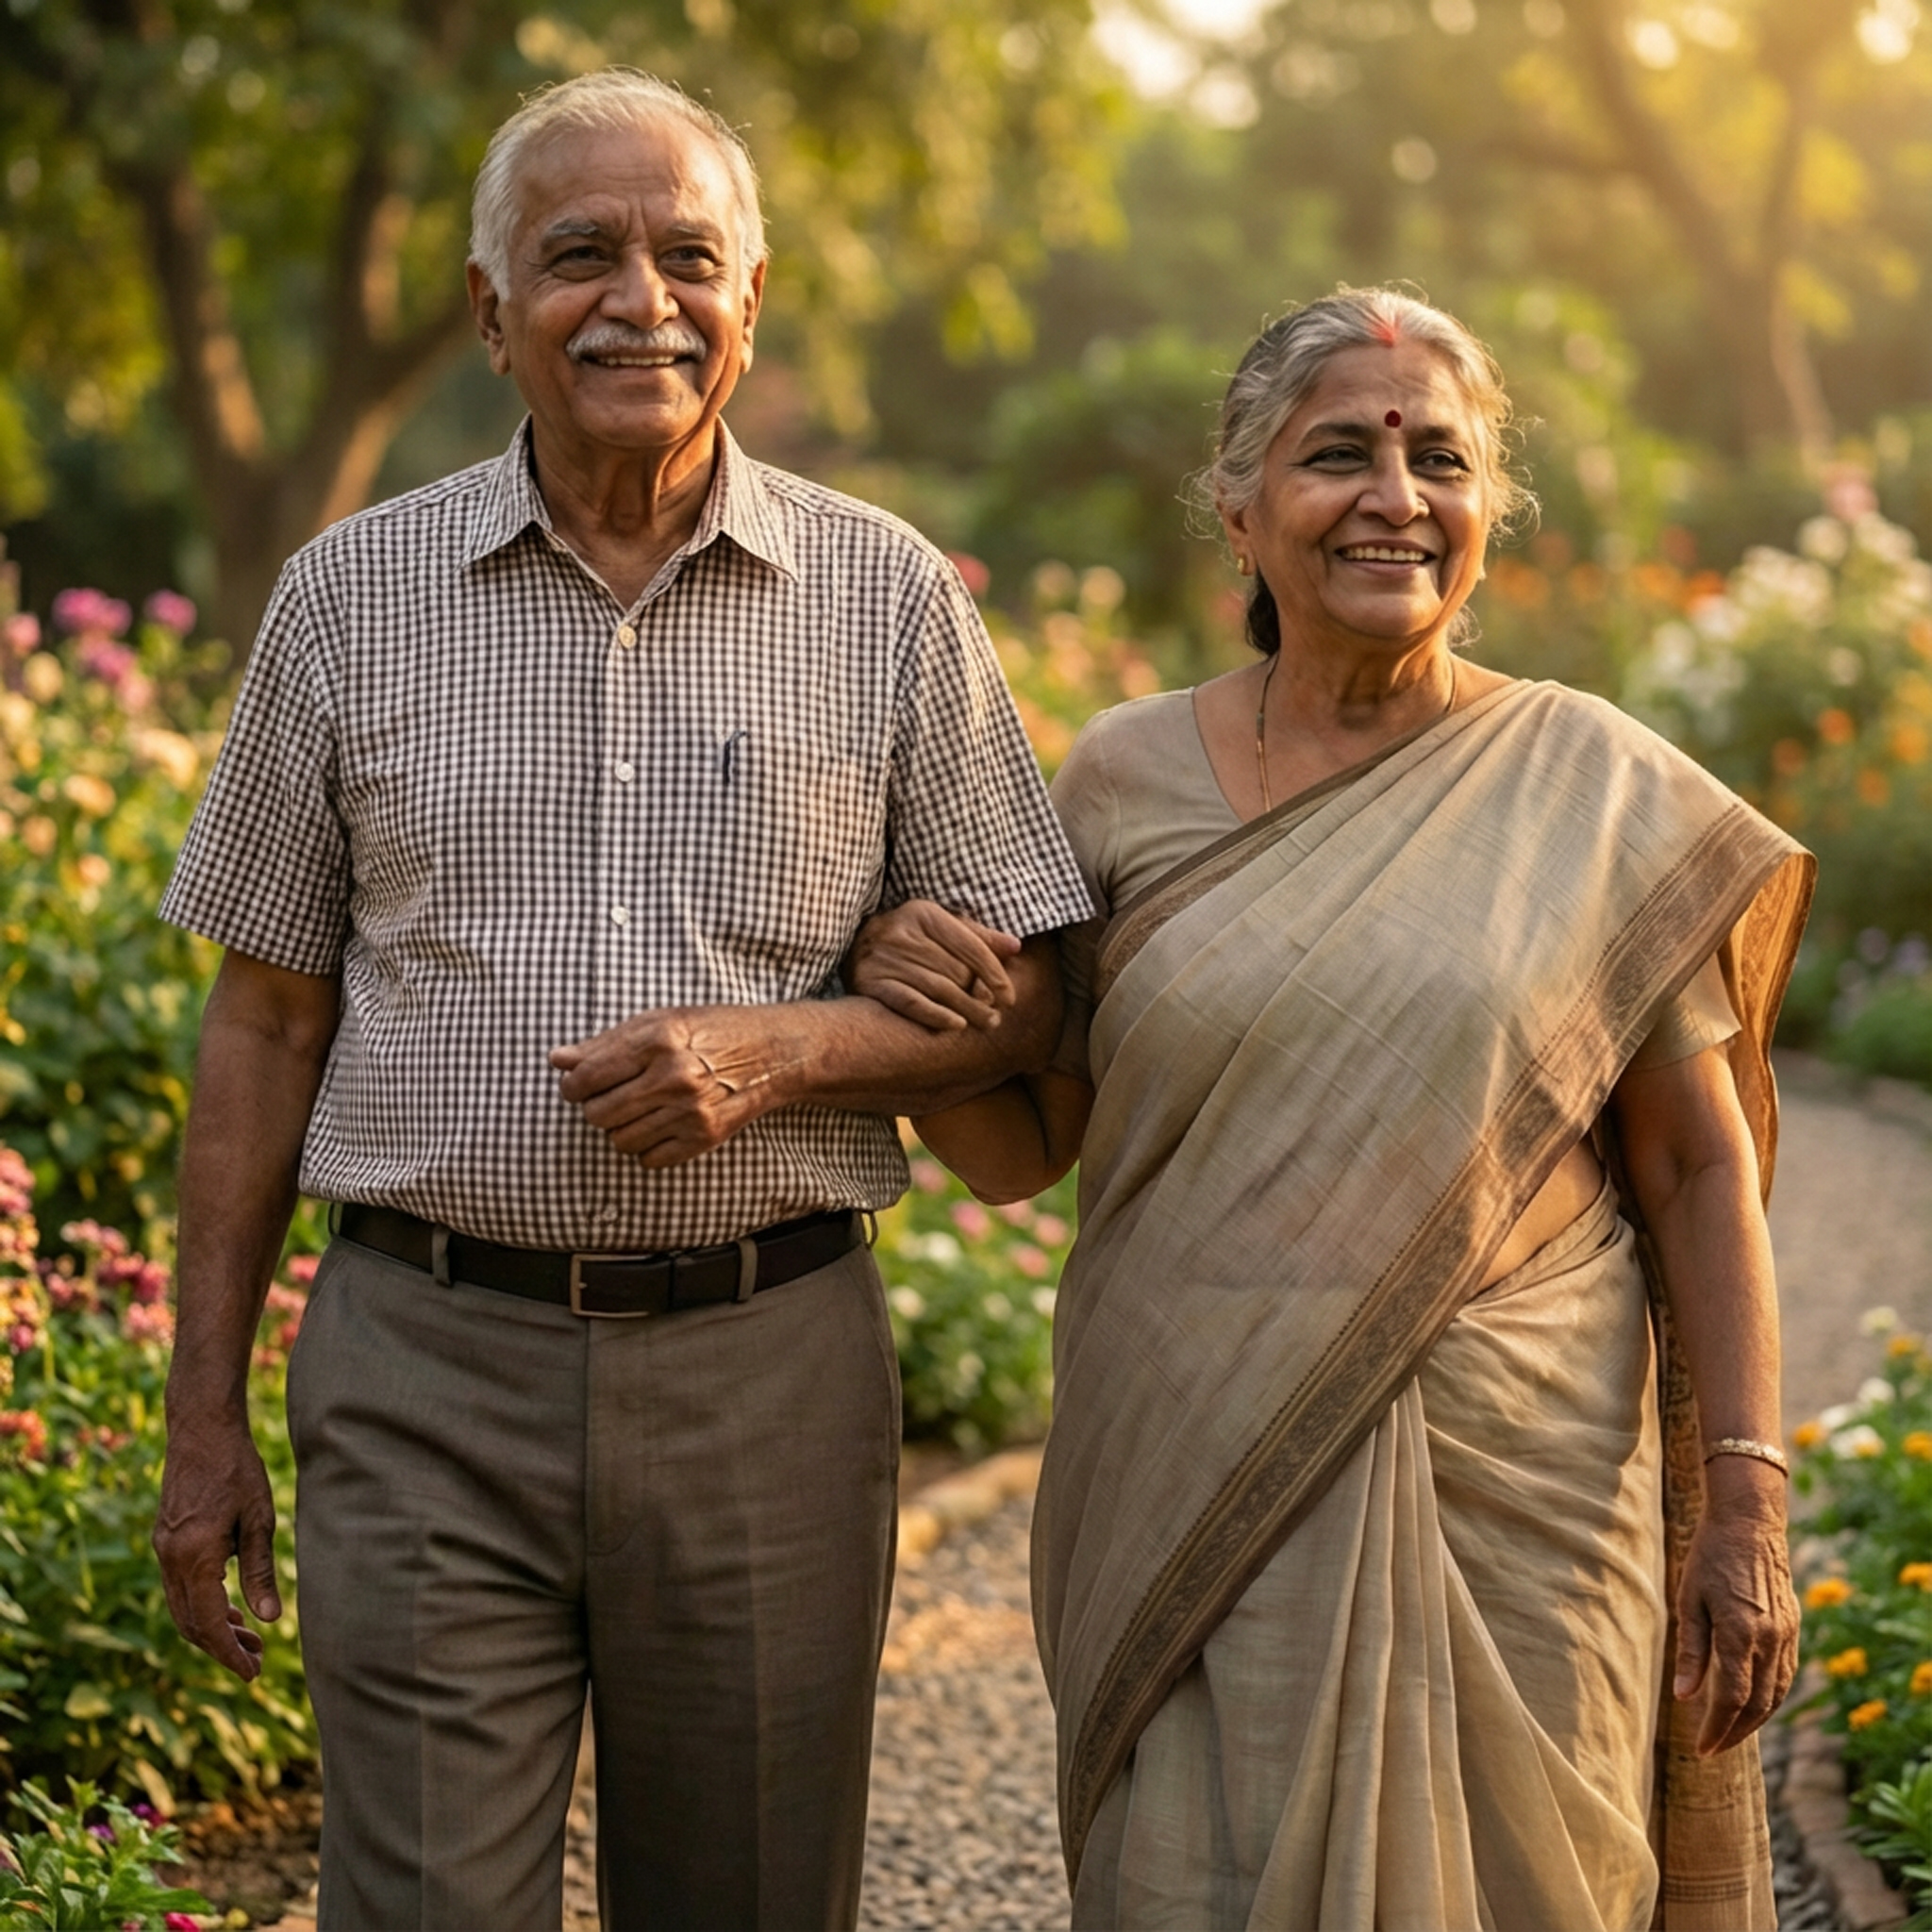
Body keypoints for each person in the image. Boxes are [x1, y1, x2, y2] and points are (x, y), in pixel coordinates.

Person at [151, 68, 1092, 1931]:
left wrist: (797, 1046)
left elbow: (1035, 1003)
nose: (640, 298)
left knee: (745, 1896)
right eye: (580, 256)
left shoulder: (888, 596)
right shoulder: (347, 598)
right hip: (424, 1363)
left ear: (754, 298)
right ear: (492, 314)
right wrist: (201, 1422)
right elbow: (261, 1025)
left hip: (768, 1368)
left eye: (689, 256)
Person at [847, 288, 1811, 1931]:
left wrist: (1748, 1497)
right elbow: (1023, 1148)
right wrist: (904, 995)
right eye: (1337, 454)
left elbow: (1699, 1161)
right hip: (1183, 1468)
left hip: (1517, 1489)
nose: (1395, 495)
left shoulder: (1589, 789)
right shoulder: (1122, 782)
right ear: (1238, 505)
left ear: (1490, 510)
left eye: (1442, 457)